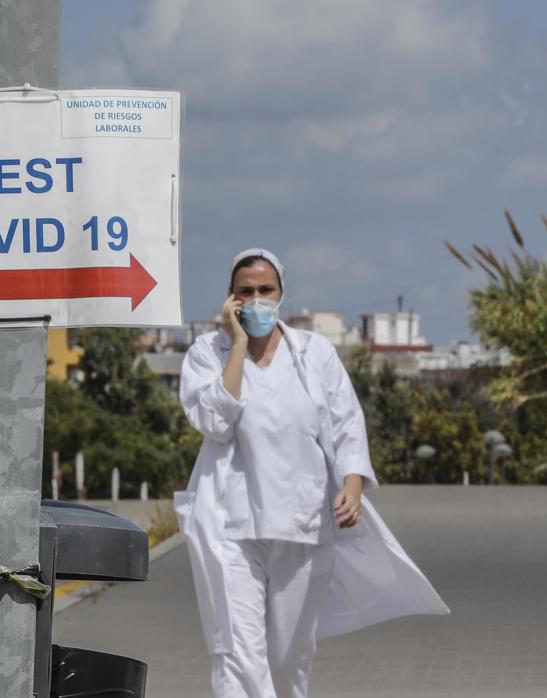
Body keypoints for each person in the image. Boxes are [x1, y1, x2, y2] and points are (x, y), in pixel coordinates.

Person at [174, 249, 449, 698]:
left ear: (282, 295)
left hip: (302, 521)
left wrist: (353, 486)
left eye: (266, 290)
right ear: (230, 299)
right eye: (246, 292)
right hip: (230, 526)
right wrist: (239, 347)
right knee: (238, 656)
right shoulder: (209, 353)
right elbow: (214, 422)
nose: (256, 300)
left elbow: (346, 424)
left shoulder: (315, 352)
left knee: (289, 659)